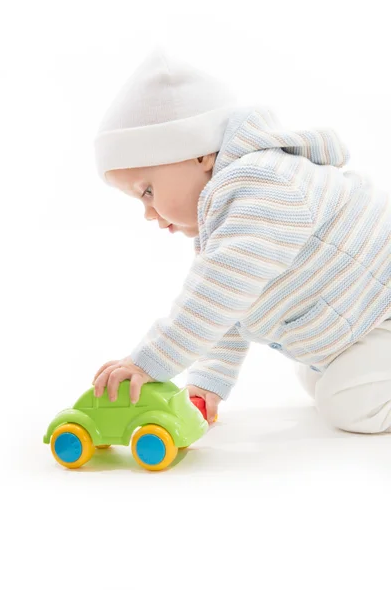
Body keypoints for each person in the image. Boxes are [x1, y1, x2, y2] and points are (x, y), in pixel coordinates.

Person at [92, 47, 391, 431]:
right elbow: (230, 309)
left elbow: (218, 292)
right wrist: (207, 383)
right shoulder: (229, 217)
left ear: (199, 154)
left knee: (347, 402)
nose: (148, 212)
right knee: (318, 379)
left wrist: (151, 360)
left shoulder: (260, 184)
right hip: (370, 318)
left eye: (147, 190)